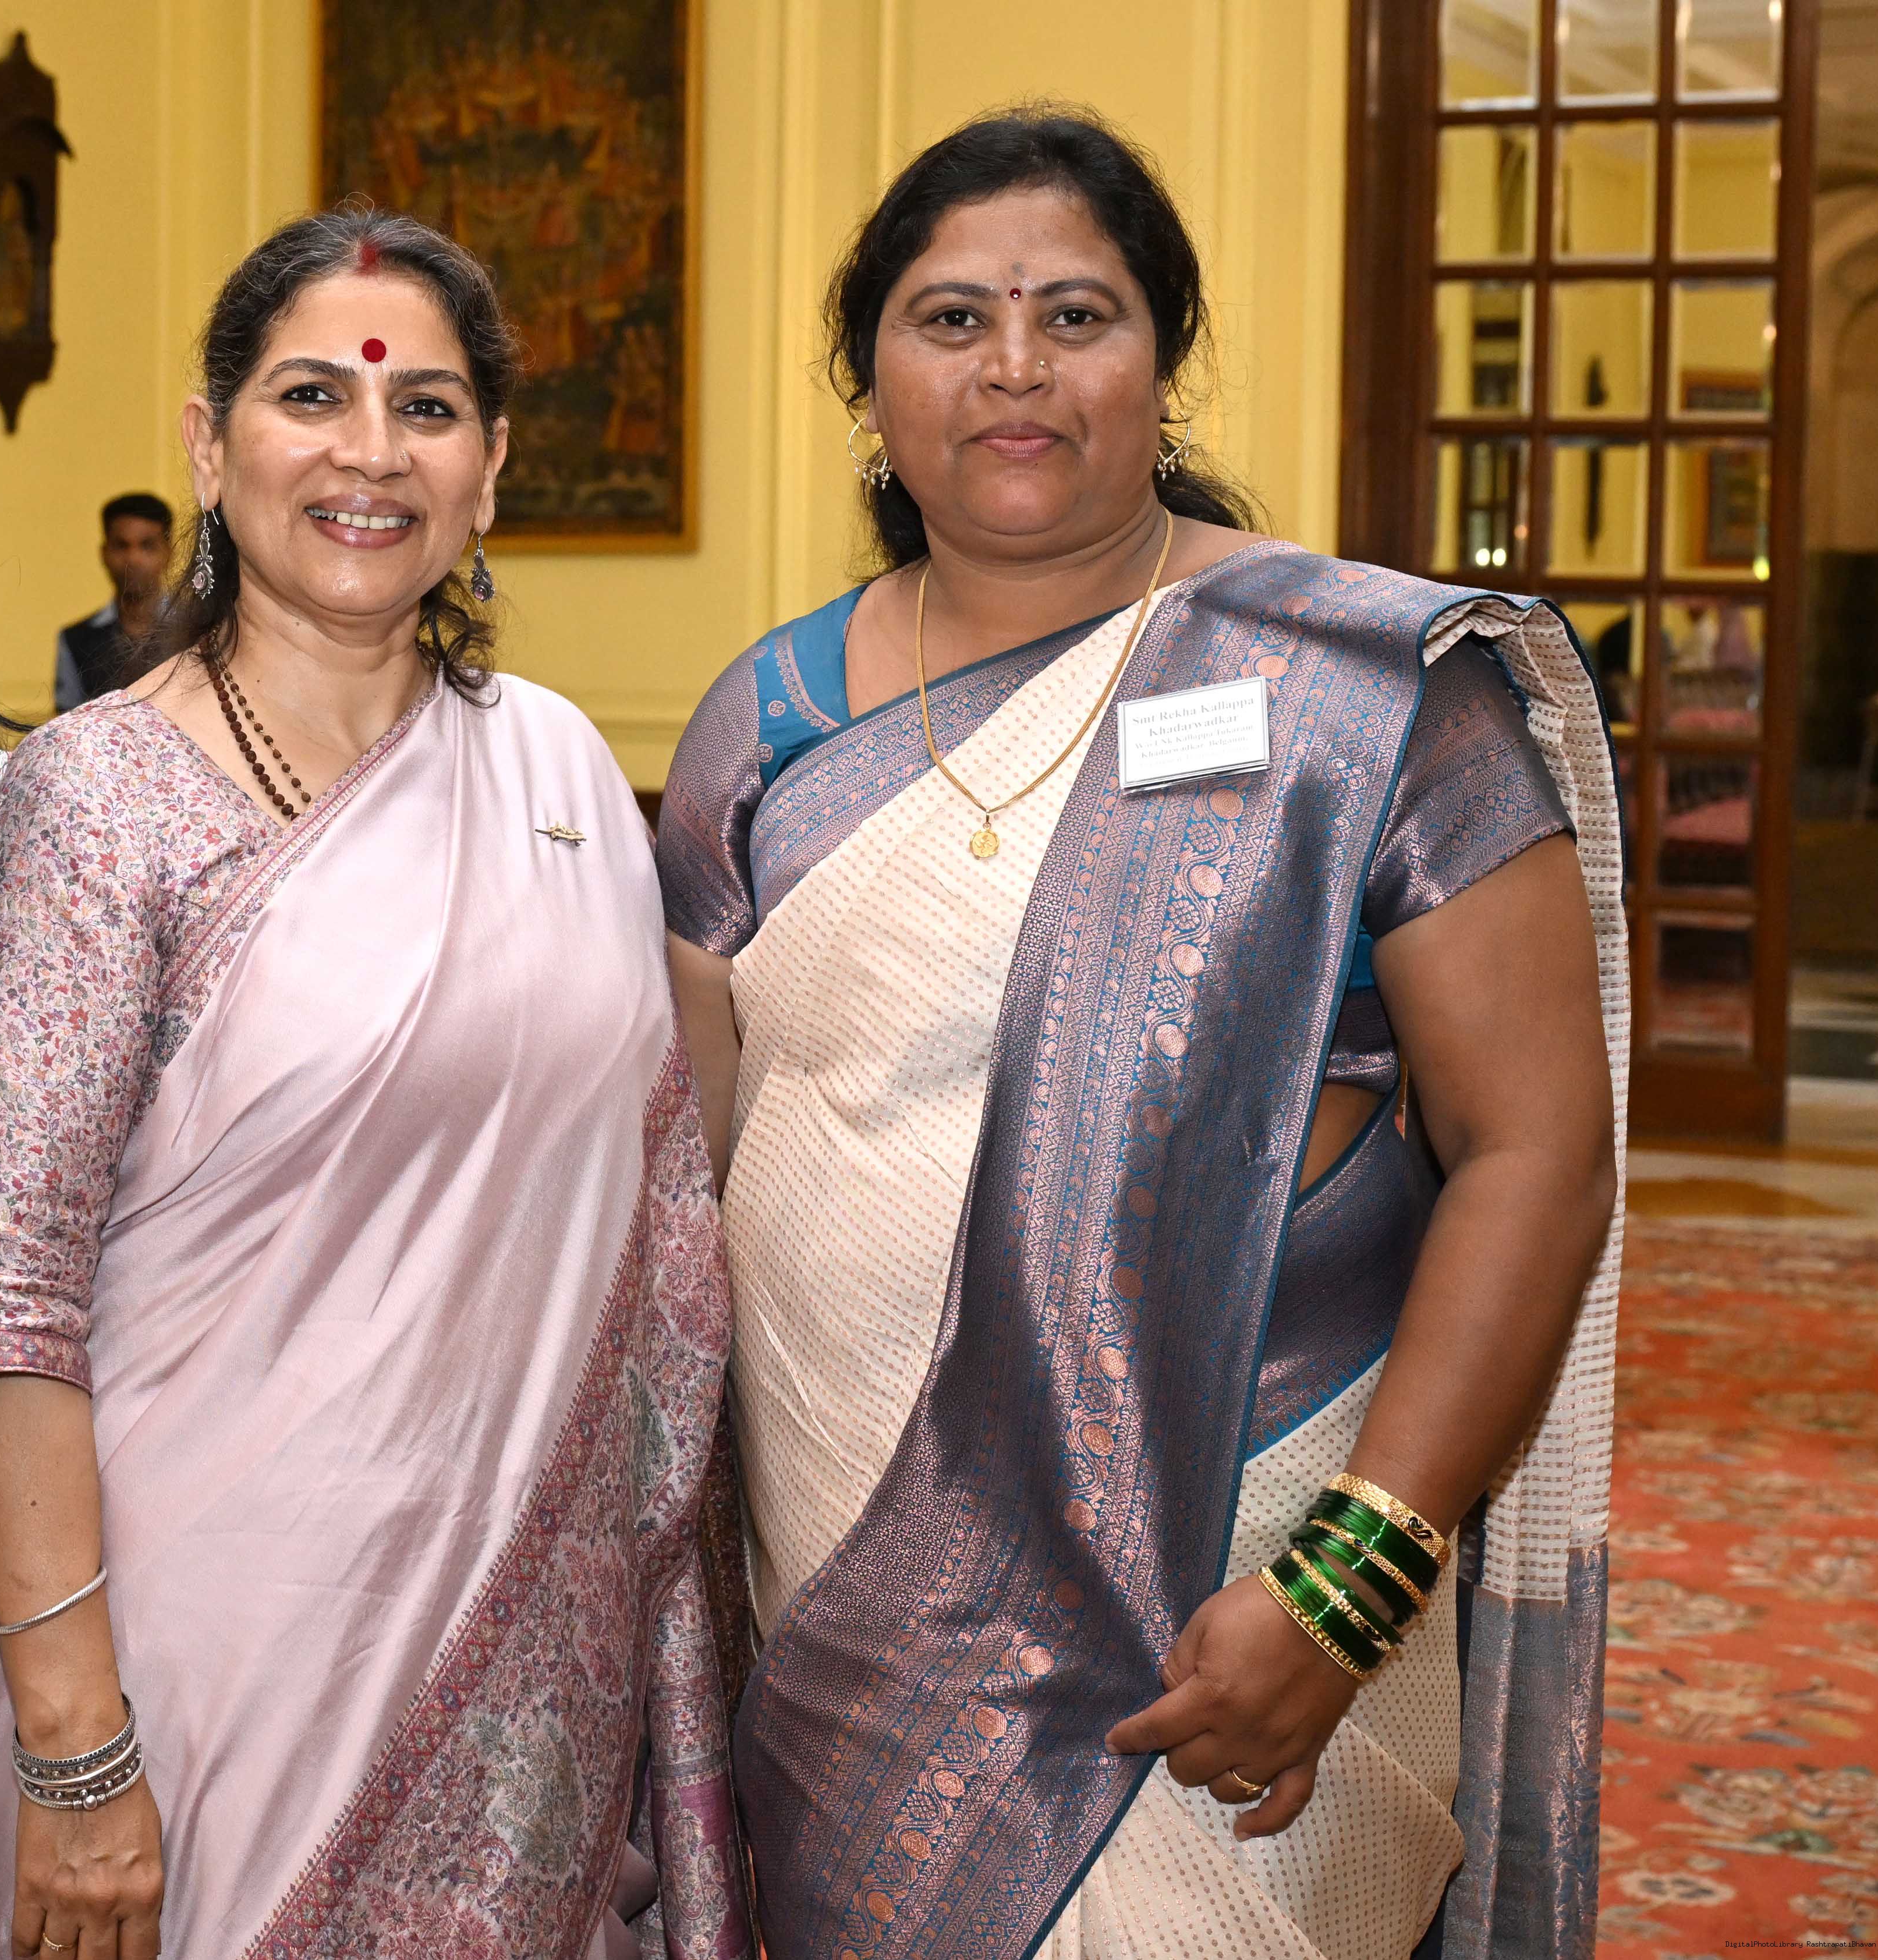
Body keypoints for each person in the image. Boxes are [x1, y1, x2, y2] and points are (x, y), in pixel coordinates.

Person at [657, 110, 1625, 1960]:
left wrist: (1348, 1588)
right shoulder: (762, 725)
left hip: (1244, 1567)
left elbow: (1536, 1149)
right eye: (952, 318)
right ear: (867, 379)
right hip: (847, 1571)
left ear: (1162, 353)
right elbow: (675, 1185)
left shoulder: (1362, 691)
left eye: (1075, 314)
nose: (1013, 366)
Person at [0, 207, 750, 1960]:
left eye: (427, 408)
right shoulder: (95, 801)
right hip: (186, 1658)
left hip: (524, 1632)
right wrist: (76, 1750)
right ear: (208, 443)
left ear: (491, 467)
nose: (370, 452)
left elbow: (654, 1201)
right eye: (311, 395)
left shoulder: (554, 771)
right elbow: (12, 1304)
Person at [51, 493, 173, 713]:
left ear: (169, 552)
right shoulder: (76, 640)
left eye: (147, 546)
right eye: (121, 546)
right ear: (104, 553)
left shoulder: (200, 630)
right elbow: (65, 723)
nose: (133, 559)